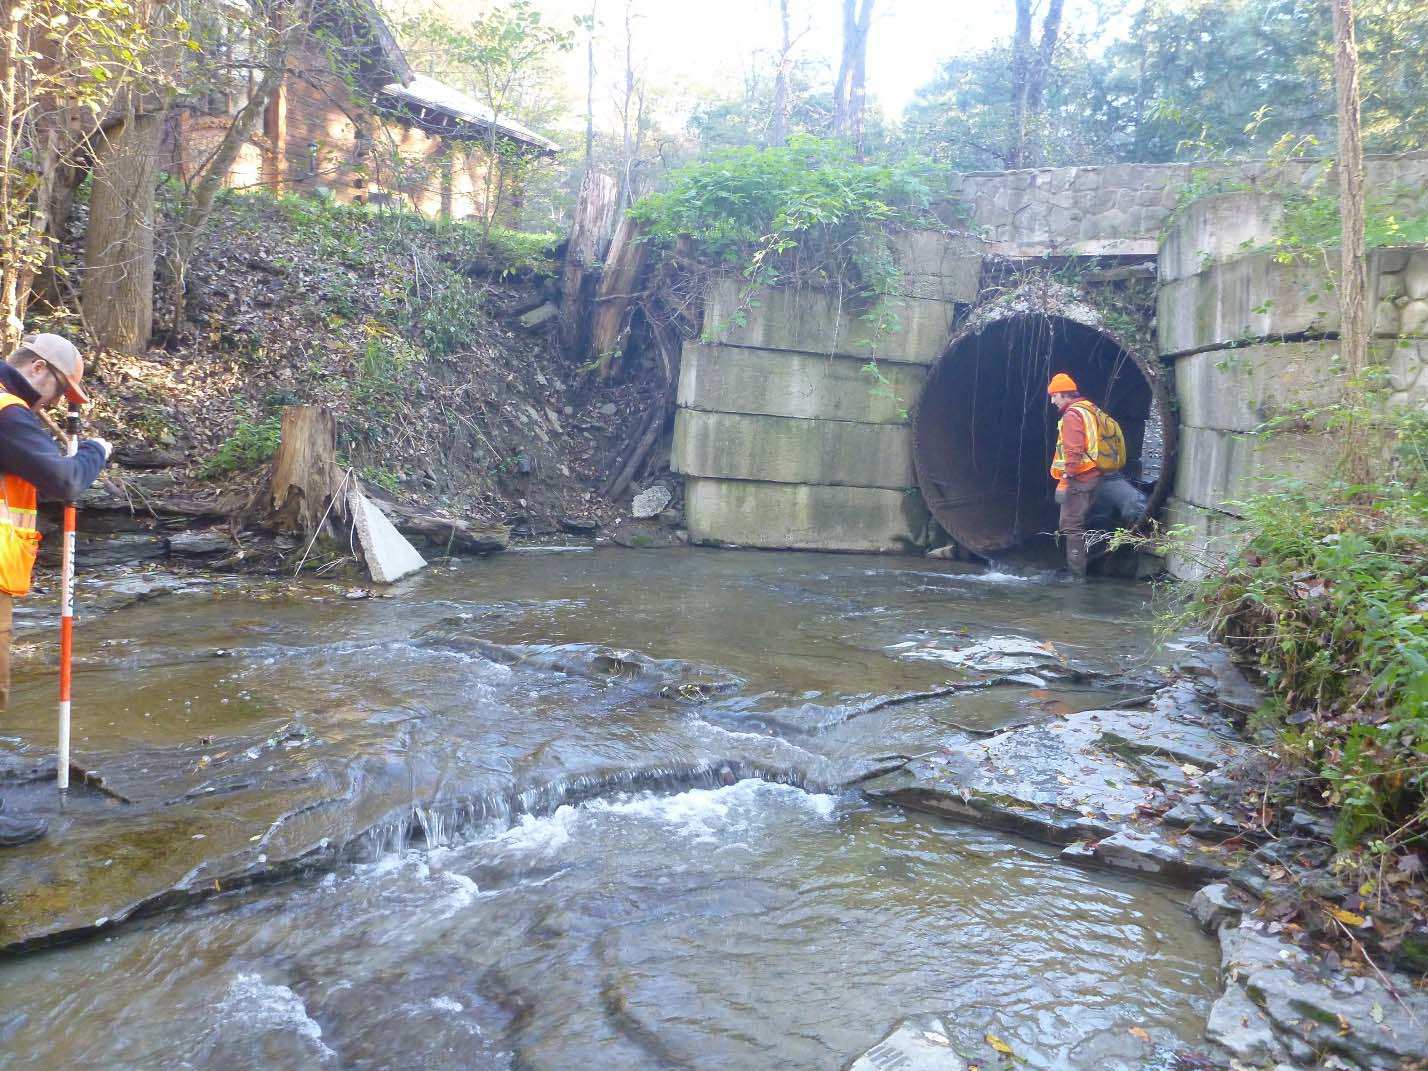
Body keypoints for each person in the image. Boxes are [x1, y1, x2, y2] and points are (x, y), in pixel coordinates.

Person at [0, 334, 111, 847]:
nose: (56, 402)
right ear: (37, 368)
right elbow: (65, 481)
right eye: (60, 390)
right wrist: (94, 452)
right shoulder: (9, 415)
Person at [1047, 372, 1144, 579]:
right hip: (1102, 473)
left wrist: (1065, 479)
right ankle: (1101, 560)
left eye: (1054, 395)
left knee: (1071, 525)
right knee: (1096, 514)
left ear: (1065, 394)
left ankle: (1076, 577)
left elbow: (1073, 450)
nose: (1053, 401)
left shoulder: (1072, 415)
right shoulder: (1090, 408)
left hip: (1081, 477)